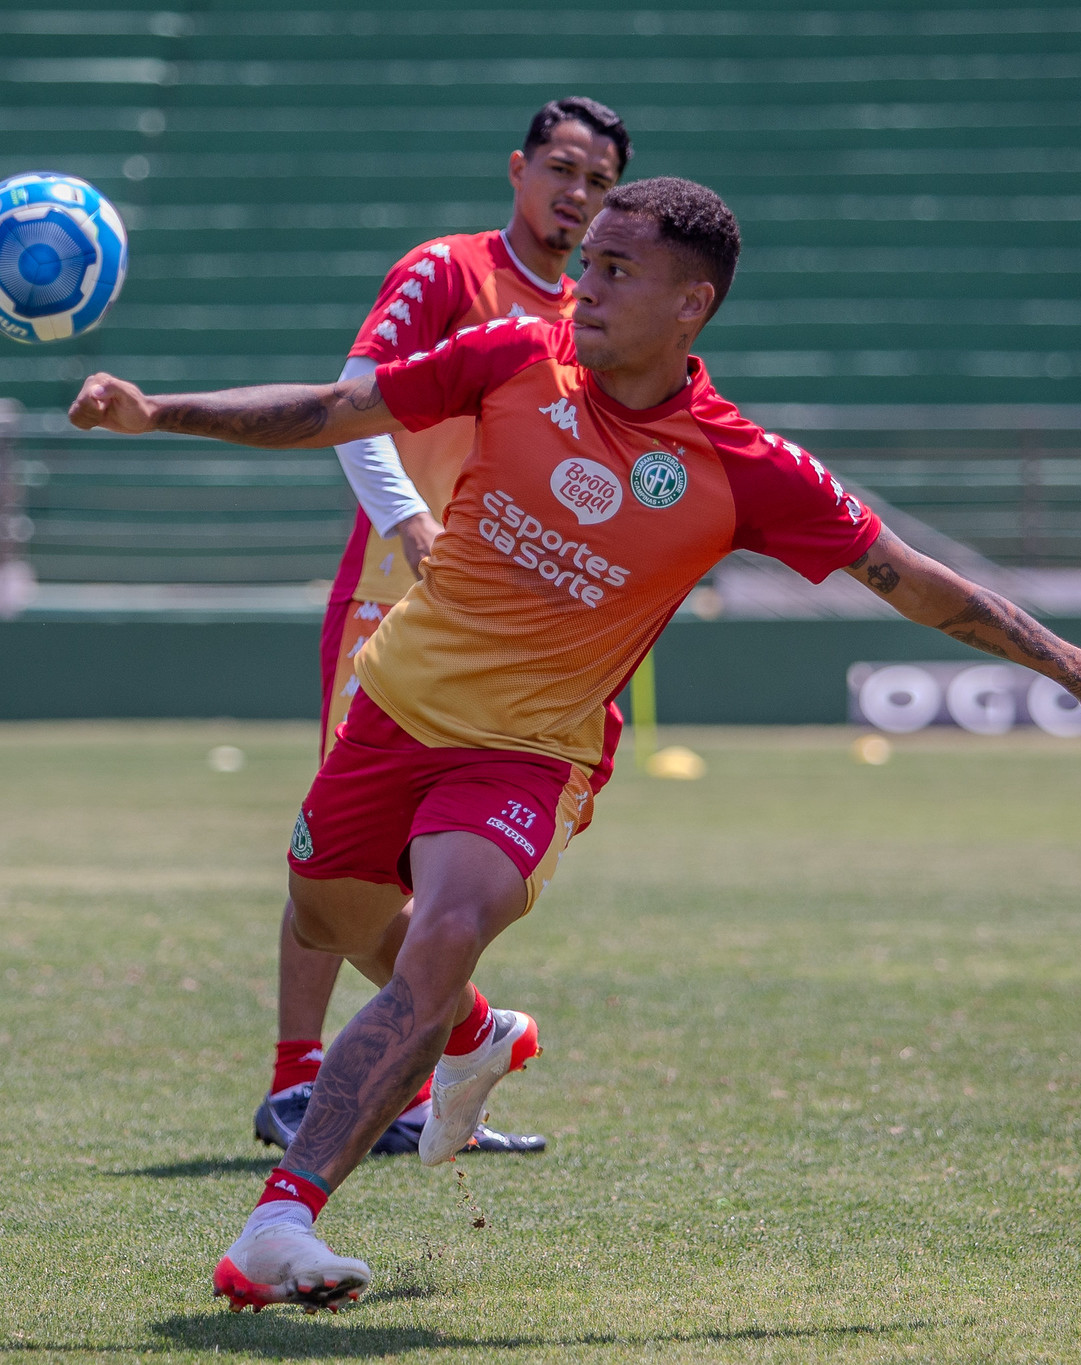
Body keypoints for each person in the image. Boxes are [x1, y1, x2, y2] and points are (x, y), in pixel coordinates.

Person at [68, 177, 1081, 1312]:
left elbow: (908, 577)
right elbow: (332, 409)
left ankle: (279, 1221)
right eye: (585, 262)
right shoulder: (512, 357)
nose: (582, 288)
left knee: (439, 936)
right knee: (327, 915)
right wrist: (158, 413)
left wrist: (1071, 666)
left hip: (529, 752)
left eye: (613, 270)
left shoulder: (744, 465)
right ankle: (475, 1035)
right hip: (392, 708)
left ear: (691, 304)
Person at [256, 97, 631, 1161]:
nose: (576, 194)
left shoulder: (596, 320)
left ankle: (421, 1080)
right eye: (561, 168)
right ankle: (297, 1080)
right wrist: (408, 521)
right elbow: (353, 401)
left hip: (496, 632)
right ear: (517, 169)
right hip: (392, 595)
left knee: (441, 871)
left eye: (598, 182)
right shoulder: (446, 272)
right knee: (338, 852)